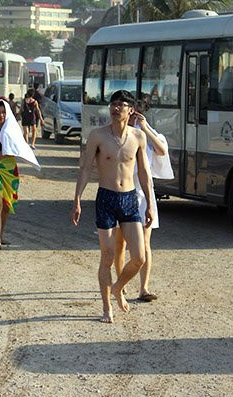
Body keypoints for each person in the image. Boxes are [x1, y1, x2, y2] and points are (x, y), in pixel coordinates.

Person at [70, 90, 153, 324]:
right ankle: (107, 308)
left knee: (139, 258)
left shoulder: (138, 137)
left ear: (131, 110)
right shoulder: (98, 136)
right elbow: (85, 168)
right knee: (107, 255)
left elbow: (144, 173)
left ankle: (118, 287)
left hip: (129, 199)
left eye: (121, 105)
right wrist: (77, 199)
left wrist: (149, 204)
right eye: (113, 104)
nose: (116, 108)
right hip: (105, 198)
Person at [113, 96, 173, 303]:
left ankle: (143, 288)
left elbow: (162, 150)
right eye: (131, 114)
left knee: (145, 243)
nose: (133, 118)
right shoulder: (116, 134)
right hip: (121, 193)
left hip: (143, 195)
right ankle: (120, 284)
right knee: (120, 243)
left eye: (137, 115)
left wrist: (145, 128)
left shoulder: (147, 134)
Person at [0, 100, 39, 251]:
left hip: (8, 170)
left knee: (5, 206)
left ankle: (0, 234)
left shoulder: (13, 130)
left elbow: (20, 147)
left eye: (3, 112)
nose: (1, 115)